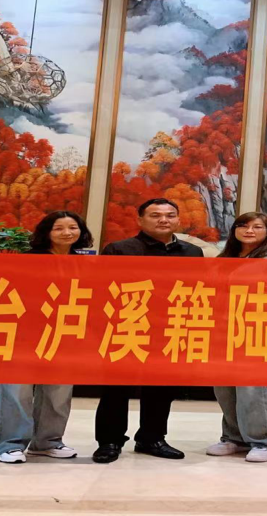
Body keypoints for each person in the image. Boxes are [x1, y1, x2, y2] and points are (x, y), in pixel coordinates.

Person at [92, 198, 204, 464]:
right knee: (116, 388)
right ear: (140, 220)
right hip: (126, 324)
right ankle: (109, 441)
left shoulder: (192, 252)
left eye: (170, 215)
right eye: (155, 215)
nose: (163, 220)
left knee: (162, 387)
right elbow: (102, 287)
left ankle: (152, 438)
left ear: (178, 220)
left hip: (169, 326)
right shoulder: (119, 249)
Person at [0, 211, 92, 464]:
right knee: (17, 390)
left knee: (58, 392)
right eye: (59, 228)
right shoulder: (28, 260)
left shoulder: (85, 263)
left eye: (73, 227)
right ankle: (10, 444)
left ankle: (48, 442)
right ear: (47, 232)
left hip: (65, 334)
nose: (67, 233)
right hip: (24, 334)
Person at [207, 212, 267, 463]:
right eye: (243, 225)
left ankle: (263, 441)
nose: (249, 230)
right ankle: (234, 438)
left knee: (253, 387)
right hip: (222, 327)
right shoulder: (224, 257)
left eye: (257, 227)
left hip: (257, 327)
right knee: (224, 386)